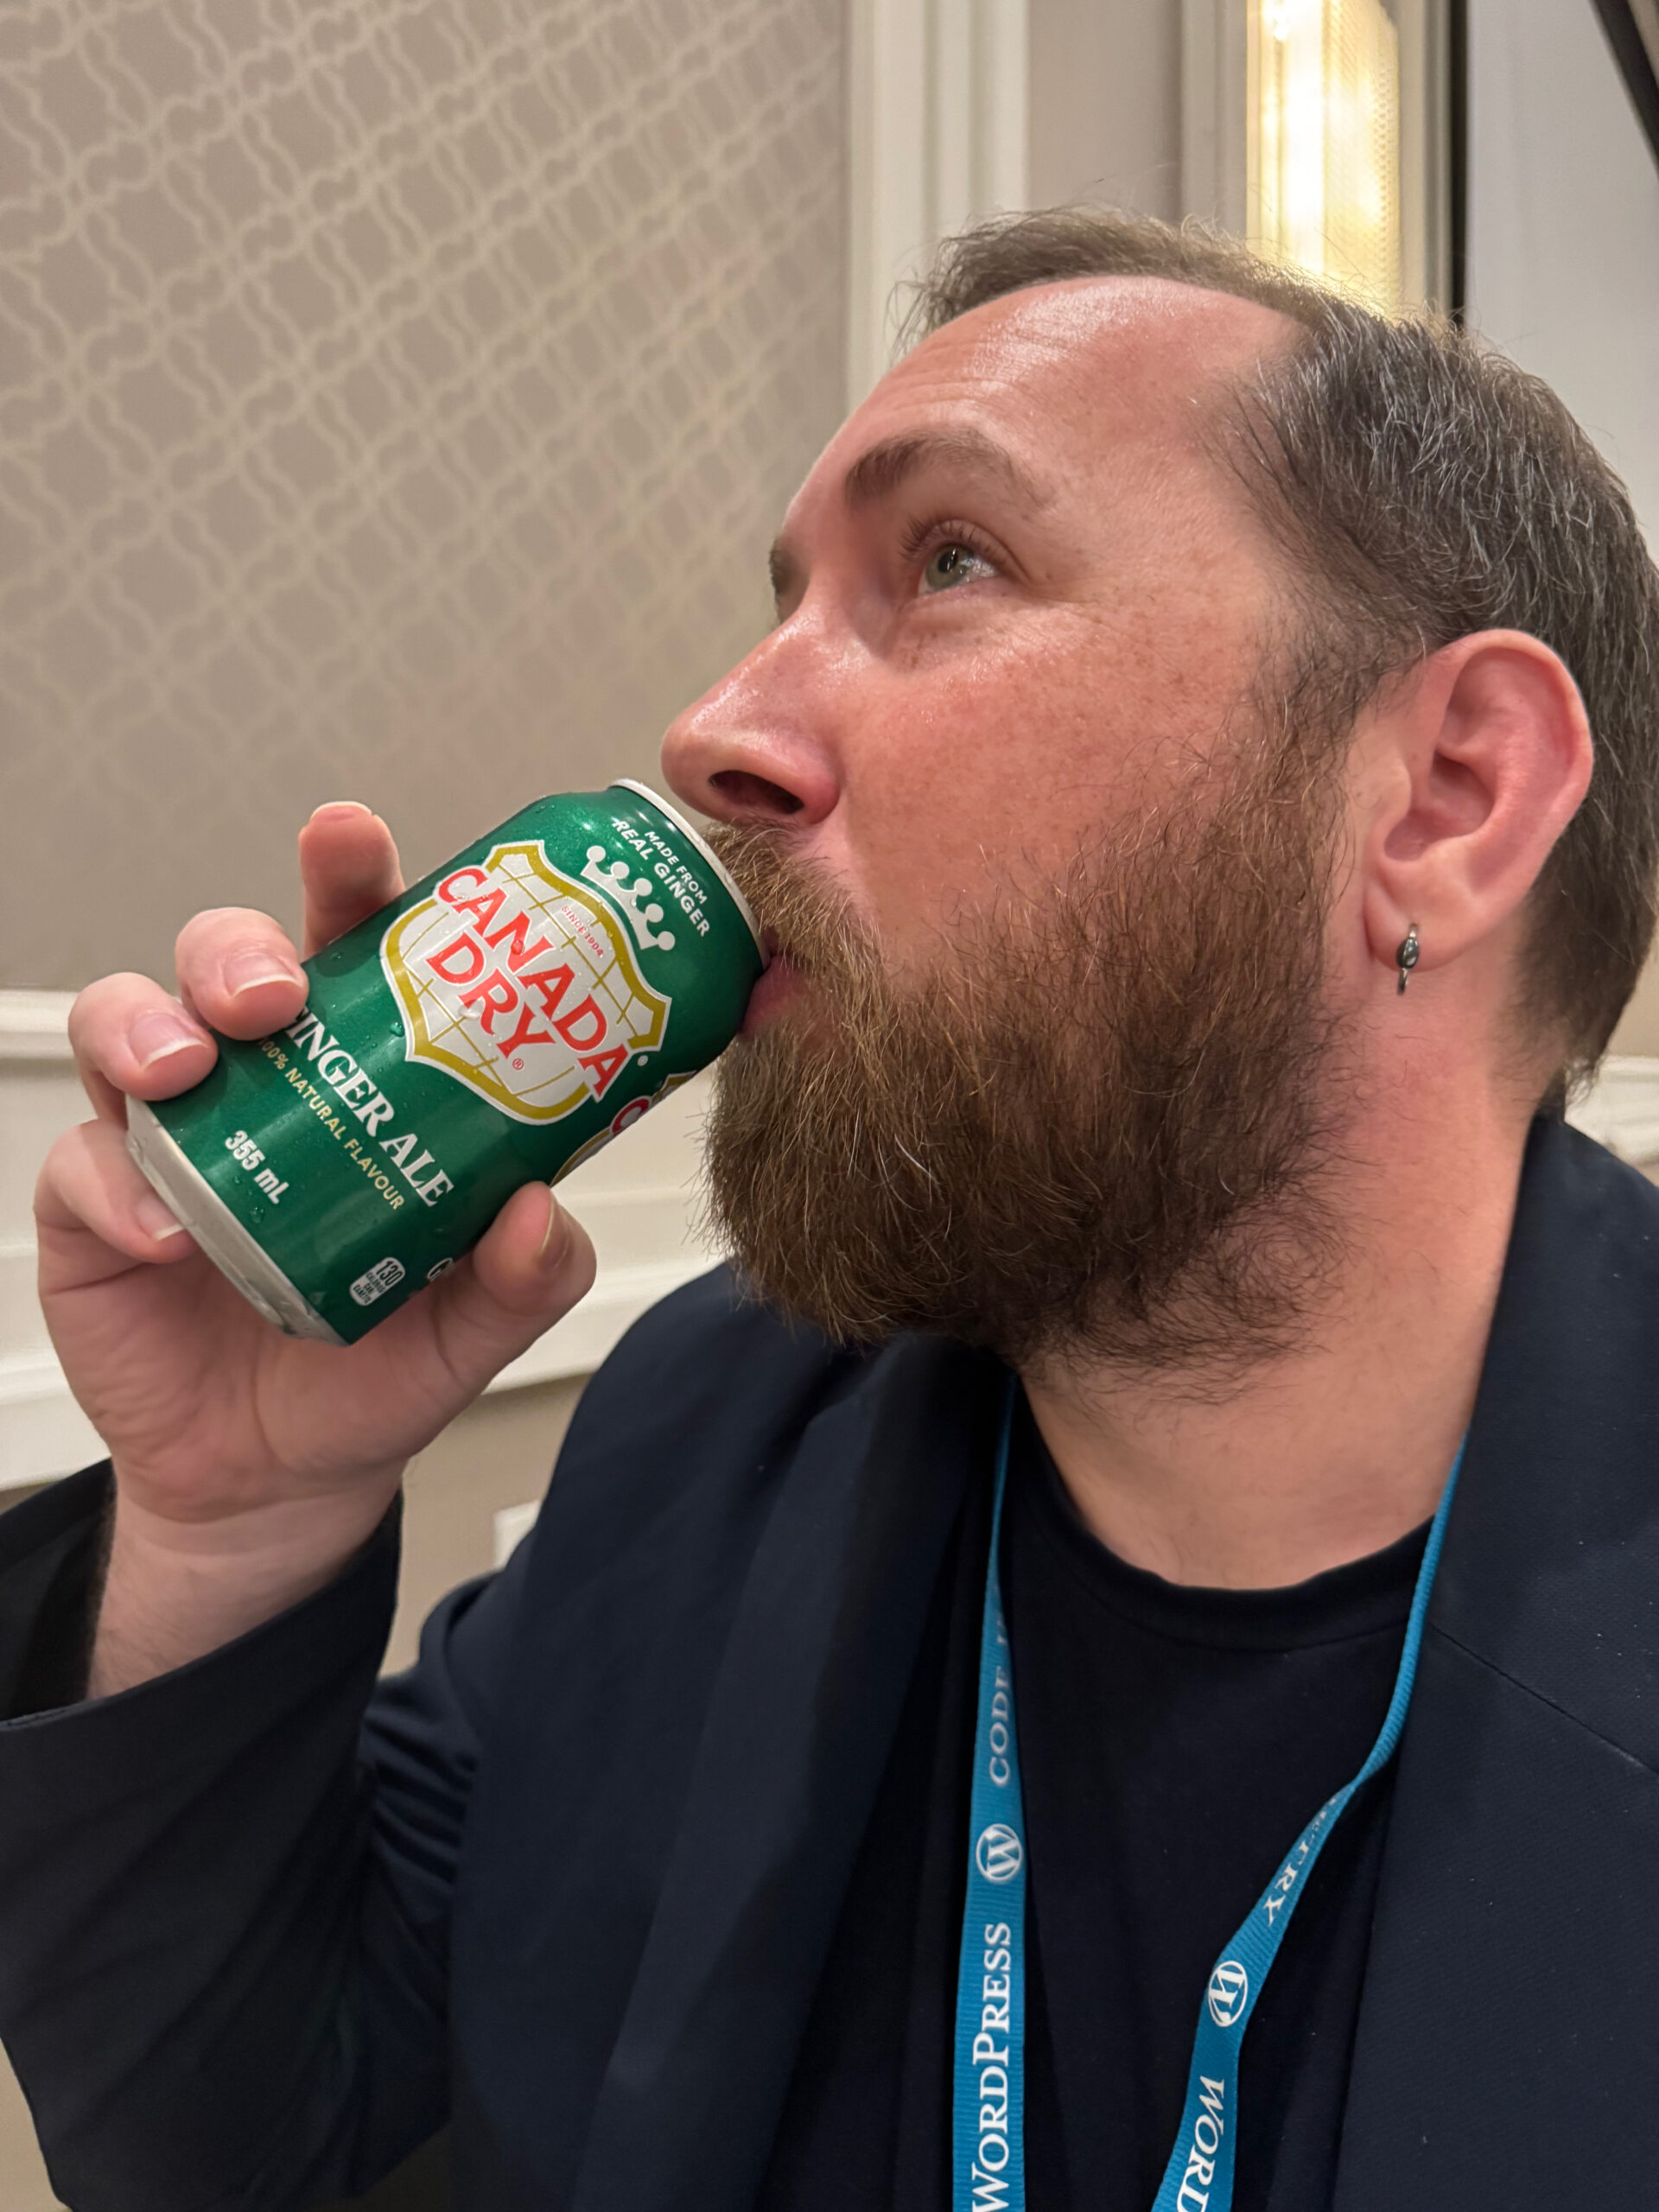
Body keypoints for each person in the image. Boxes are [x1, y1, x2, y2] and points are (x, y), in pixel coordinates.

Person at [3, 207, 1658, 2212]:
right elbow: (228, 2137)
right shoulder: (708, 1430)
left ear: (1448, 794)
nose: (714, 731)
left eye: (953, 562)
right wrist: (233, 1522)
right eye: (782, 603)